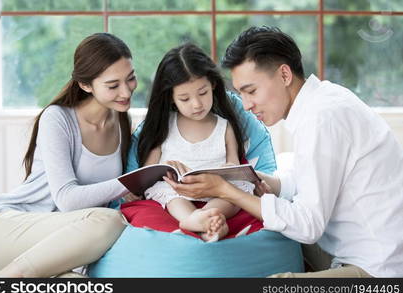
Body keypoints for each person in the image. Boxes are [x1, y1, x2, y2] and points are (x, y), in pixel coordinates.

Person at [163, 26, 403, 277]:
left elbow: (308, 226)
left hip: (379, 267)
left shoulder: (321, 119)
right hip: (356, 246)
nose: (246, 105)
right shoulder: (324, 99)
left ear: (284, 75)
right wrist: (248, 178)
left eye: (251, 91)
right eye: (241, 93)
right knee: (264, 240)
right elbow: (309, 181)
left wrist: (226, 191)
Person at [0, 32, 138, 277]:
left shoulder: (120, 119)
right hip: (8, 230)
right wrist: (126, 183)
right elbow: (66, 199)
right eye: (113, 85)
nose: (126, 92)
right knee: (111, 221)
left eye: (131, 78)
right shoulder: (57, 118)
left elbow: (105, 194)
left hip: (57, 244)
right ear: (86, 85)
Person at [138, 43, 255, 241]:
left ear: (213, 85)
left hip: (216, 191)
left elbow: (235, 165)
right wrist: (166, 168)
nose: (197, 104)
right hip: (178, 190)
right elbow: (148, 171)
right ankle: (194, 219)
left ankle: (209, 218)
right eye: (185, 98)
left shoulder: (224, 126)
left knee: (242, 187)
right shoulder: (165, 124)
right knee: (164, 191)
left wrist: (227, 169)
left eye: (203, 93)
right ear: (172, 98)